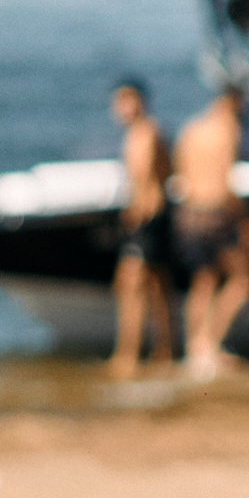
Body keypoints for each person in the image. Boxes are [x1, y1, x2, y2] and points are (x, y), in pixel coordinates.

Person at [170, 82, 249, 378]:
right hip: (217, 214)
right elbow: (225, 184)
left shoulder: (192, 129)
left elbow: (180, 174)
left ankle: (195, 350)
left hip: (189, 213)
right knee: (243, 280)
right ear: (235, 102)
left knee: (203, 282)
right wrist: (246, 220)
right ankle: (210, 345)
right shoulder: (228, 130)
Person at [107, 80, 174, 377]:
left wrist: (137, 215)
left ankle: (127, 355)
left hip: (148, 218)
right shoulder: (137, 134)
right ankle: (164, 350)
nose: (122, 108)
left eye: (127, 101)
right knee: (156, 287)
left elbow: (151, 179)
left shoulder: (147, 133)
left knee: (131, 285)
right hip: (148, 218)